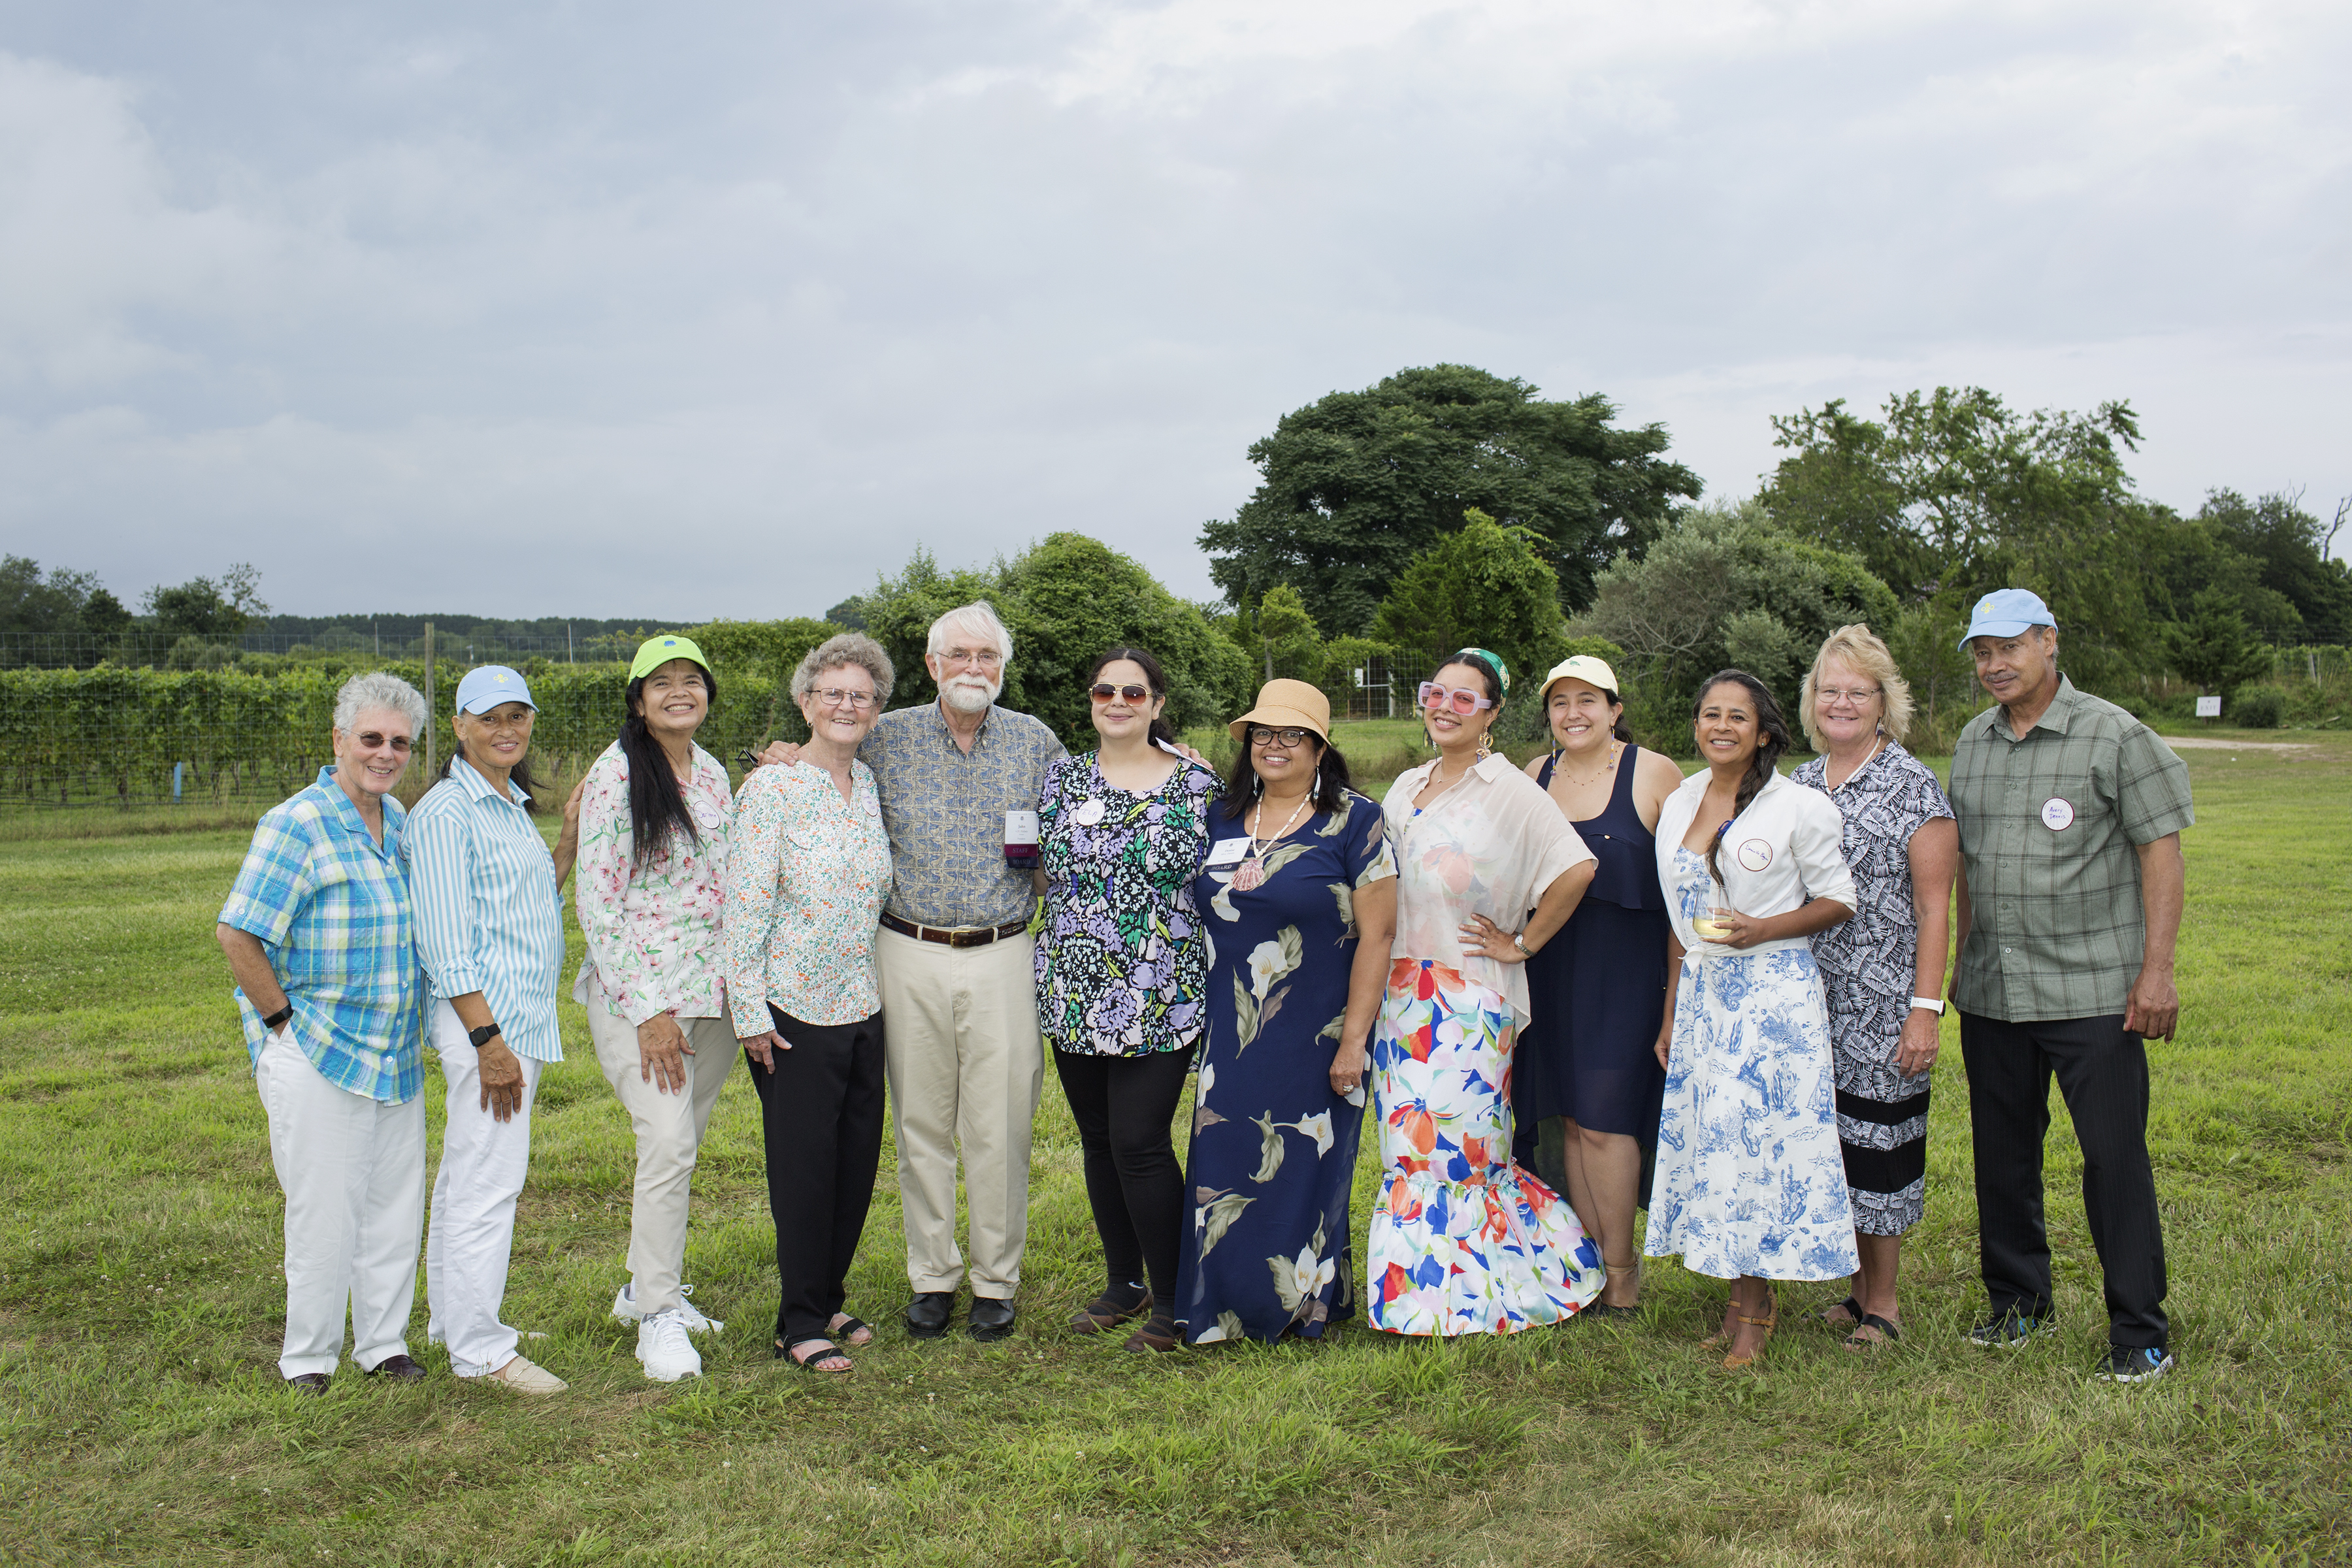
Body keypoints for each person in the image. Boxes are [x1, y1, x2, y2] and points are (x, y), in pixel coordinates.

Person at [762, 601, 1064, 1341]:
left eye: (986, 657)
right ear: (931, 666)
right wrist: (778, 756)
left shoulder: (1037, 743)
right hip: (904, 950)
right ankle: (933, 1276)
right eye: (957, 655)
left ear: (1002, 668)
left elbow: (1081, 821)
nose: (972, 669)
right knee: (920, 1123)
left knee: (999, 1126)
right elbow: (818, 765)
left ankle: (997, 1282)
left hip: (1002, 950)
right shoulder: (885, 738)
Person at [1947, 589, 2193, 1384]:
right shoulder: (1972, 742)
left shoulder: (2116, 735)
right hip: (1995, 992)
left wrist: (2155, 974)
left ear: (2050, 641)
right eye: (1982, 653)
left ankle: (2139, 1332)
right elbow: (1971, 867)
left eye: (2010, 647)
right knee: (2003, 1159)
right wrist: (1964, 959)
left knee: (2114, 1158)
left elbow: (2162, 854)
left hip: (2094, 991)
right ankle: (2019, 1304)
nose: (1995, 665)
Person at [1369, 649, 1607, 1336]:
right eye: (1434, 693)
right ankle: (1417, 1298)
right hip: (1400, 989)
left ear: (1493, 713)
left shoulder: (1511, 792)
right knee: (1408, 1152)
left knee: (1463, 1154)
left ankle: (1488, 1292)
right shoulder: (1406, 786)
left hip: (1468, 996)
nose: (1444, 706)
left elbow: (1575, 868)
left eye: (1464, 699)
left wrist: (1523, 942)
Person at [215, 672, 433, 1394]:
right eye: (371, 738)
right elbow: (239, 932)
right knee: (323, 1211)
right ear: (338, 740)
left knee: (394, 1207)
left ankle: (383, 1344)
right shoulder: (298, 822)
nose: (386, 753)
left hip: (393, 1050)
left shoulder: (398, 822)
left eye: (400, 742)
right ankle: (308, 1357)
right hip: (320, 1048)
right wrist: (282, 1024)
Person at [1174, 679, 1396, 1347]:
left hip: (1317, 1031)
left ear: (1321, 747)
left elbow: (1378, 937)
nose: (1275, 745)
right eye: (1263, 734)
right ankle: (1220, 1307)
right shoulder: (1218, 816)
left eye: (1292, 735)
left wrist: (1354, 1041)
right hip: (1232, 1030)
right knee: (1226, 1158)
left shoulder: (1357, 820)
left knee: (1303, 1159)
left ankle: (1302, 1307)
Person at [1648, 670, 1859, 1369]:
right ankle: (1738, 1296)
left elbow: (1838, 900)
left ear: (1764, 732)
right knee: (1718, 1146)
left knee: (1761, 1150)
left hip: (1772, 997)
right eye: (1710, 714)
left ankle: (1758, 1304)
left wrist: (1765, 927)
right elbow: (1679, 922)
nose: (1721, 727)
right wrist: (1672, 1010)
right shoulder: (1680, 801)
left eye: (1737, 717)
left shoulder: (1797, 806)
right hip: (1707, 995)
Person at [1034, 647, 1219, 1352]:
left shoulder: (1199, 784)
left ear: (1157, 704)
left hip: (1160, 987)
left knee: (1141, 1142)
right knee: (1099, 1140)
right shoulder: (1061, 779)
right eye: (1105, 690)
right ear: (1090, 700)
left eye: (1134, 692)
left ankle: (1173, 1300)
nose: (1118, 701)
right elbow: (1042, 873)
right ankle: (1123, 1282)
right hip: (1075, 983)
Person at [726, 634, 898, 1373]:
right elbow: (743, 905)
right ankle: (796, 1321)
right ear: (805, 703)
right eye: (832, 693)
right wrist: (750, 1014)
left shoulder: (869, 788)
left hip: (864, 1006)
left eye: (862, 695)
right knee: (803, 1169)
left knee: (854, 1165)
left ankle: (827, 1295)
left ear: (877, 709)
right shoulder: (772, 788)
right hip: (793, 1011)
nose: (847, 705)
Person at [573, 634, 737, 1382]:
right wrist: (648, 1011)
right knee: (668, 1145)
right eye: (660, 681)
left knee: (680, 1146)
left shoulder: (711, 772)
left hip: (715, 997)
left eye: (691, 680)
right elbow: (599, 903)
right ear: (637, 700)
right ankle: (660, 1318)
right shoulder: (616, 776)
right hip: (648, 1002)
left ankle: (643, 1289)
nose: (679, 691)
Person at [1791, 625, 1958, 1350]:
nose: (1842, 703)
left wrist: (1925, 1011)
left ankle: (1884, 1304)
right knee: (1834, 1145)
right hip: (1805, 1000)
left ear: (1884, 703)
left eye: (1859, 692)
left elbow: (1935, 908)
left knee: (1879, 1148)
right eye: (1830, 690)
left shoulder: (1912, 785)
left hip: (1883, 1004)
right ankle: (1854, 1292)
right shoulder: (1796, 784)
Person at [407, 664, 571, 1395]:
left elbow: (530, 902)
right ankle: (481, 1349)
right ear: (459, 726)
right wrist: (488, 1042)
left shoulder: (506, 803)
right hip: (487, 1025)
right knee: (488, 1182)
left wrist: (567, 839)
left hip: (516, 1018)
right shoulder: (448, 812)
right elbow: (445, 943)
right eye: (490, 718)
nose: (507, 730)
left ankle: (455, 1321)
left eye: (519, 716)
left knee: (466, 1177)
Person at [1513, 654, 1683, 1318]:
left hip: (1628, 971)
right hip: (1551, 965)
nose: (1573, 713)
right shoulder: (1535, 776)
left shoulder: (1655, 774)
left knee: (1610, 1120)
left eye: (1589, 700)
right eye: (1560, 702)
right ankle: (1587, 1261)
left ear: (1615, 709)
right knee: (1573, 1119)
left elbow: (1688, 881)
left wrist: (1676, 990)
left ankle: (1623, 1271)